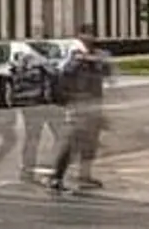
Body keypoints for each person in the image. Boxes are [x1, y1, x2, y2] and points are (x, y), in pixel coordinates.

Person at [48, 44, 111, 193]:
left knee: (90, 144)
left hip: (92, 108)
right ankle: (57, 177)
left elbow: (106, 75)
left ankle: (84, 175)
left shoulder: (95, 66)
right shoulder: (75, 65)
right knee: (72, 143)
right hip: (79, 108)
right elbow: (65, 84)